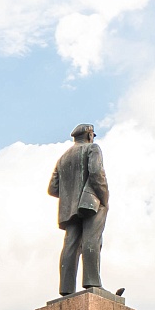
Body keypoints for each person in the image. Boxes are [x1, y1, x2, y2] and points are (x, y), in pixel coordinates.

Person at [48, 123, 109, 295]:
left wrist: (70, 195)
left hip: (69, 208)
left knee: (70, 246)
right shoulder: (93, 148)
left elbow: (53, 188)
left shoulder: (63, 158)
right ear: (90, 135)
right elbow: (97, 173)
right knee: (92, 240)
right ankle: (92, 283)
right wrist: (104, 199)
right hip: (91, 203)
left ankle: (66, 288)